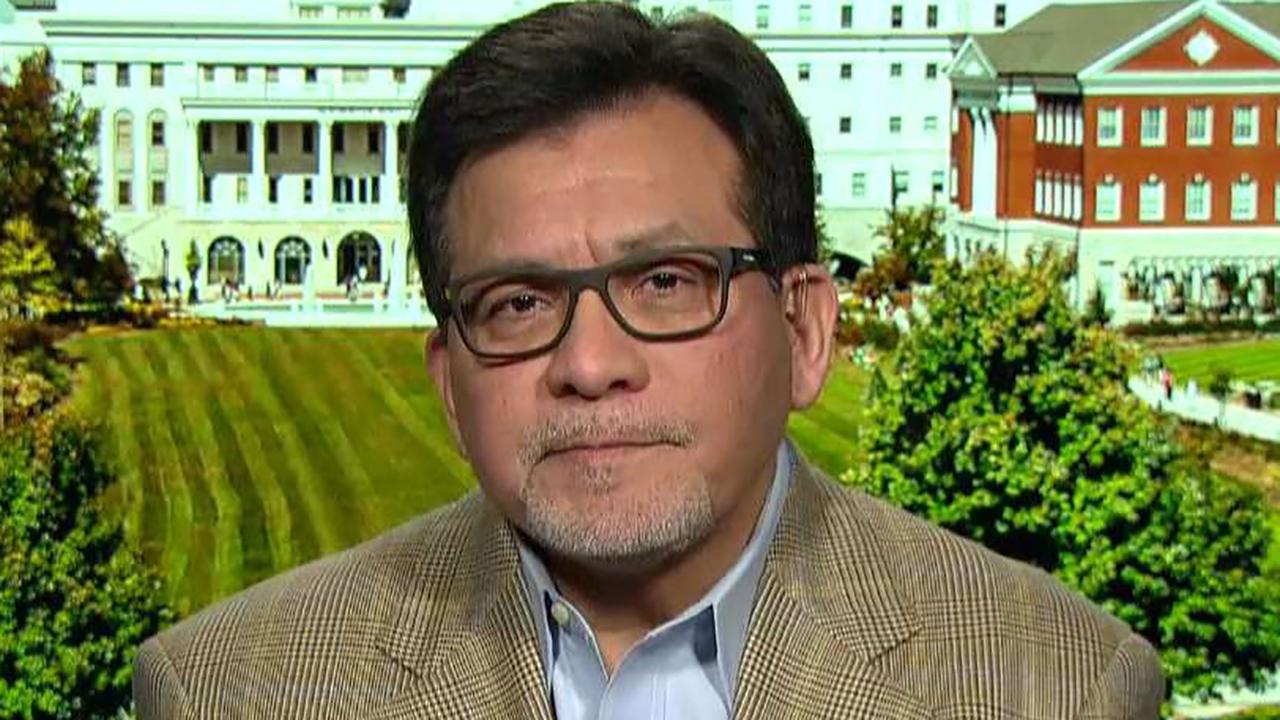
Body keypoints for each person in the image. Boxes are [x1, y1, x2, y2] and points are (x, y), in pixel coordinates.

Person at [133, 4, 1163, 718]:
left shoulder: (1057, 687)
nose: (589, 363)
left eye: (666, 281)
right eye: (518, 302)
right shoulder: (227, 693)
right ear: (449, 386)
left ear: (804, 333)